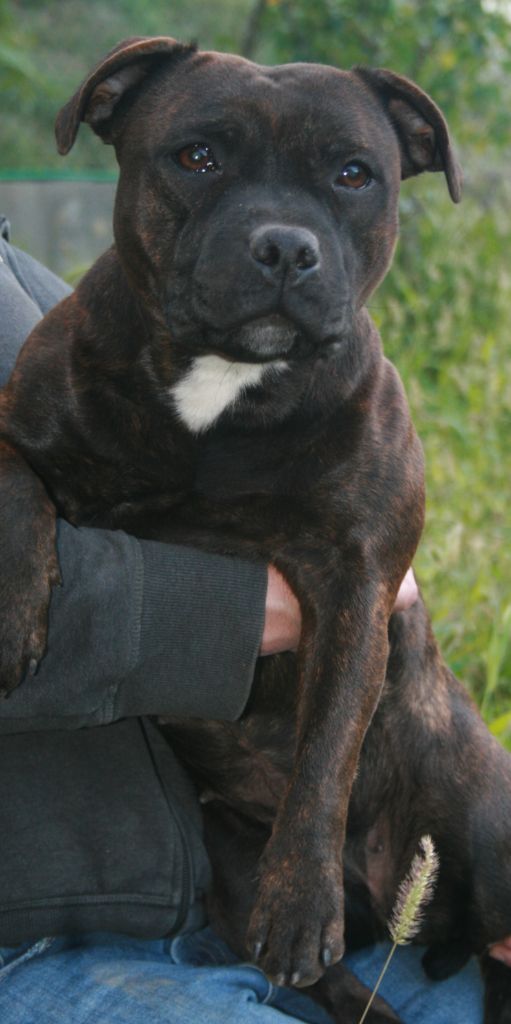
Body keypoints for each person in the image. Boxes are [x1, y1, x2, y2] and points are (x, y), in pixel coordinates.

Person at [0, 218, 504, 1023]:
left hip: (282, 874)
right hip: (57, 938)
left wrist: (346, 559)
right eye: (198, 161)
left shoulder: (35, 280)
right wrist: (241, 611)